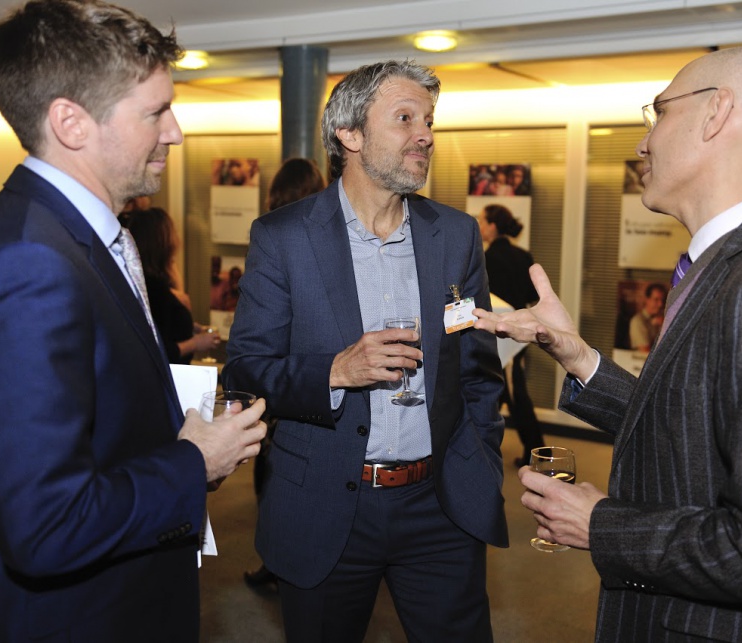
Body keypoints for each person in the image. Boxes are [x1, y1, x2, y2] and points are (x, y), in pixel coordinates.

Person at [473, 46, 742, 642]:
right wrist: (576, 354)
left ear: (716, 114)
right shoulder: (736, 262)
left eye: (659, 112)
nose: (643, 142)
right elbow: (698, 436)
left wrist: (602, 525)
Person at [0, 2, 267, 641]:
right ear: (71, 122)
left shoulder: (68, 235)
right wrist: (191, 463)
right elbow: (47, 525)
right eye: (155, 111)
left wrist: (188, 444)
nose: (175, 132)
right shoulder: (28, 264)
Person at [223, 60, 508, 642]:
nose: (425, 134)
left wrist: (481, 461)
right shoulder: (282, 238)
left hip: (440, 506)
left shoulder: (454, 236)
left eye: (428, 120)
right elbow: (246, 370)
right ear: (349, 135)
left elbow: (477, 369)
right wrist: (334, 370)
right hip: (327, 506)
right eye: (404, 118)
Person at [243, 156, 326, 590]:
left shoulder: (272, 230)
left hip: (284, 368)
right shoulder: (302, 236)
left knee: (275, 459)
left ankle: (277, 555)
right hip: (305, 366)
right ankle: (281, 555)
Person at [477, 203, 544, 466]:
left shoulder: (485, 258)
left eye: (482, 221)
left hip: (496, 336)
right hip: (520, 335)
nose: (480, 226)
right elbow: (531, 296)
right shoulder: (523, 255)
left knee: (515, 396)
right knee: (505, 391)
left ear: (493, 226)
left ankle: (540, 453)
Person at [126, 206, 222, 364]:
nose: (177, 239)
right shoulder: (153, 288)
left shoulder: (153, 282)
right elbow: (158, 349)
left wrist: (190, 326)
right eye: (173, 233)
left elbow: (165, 324)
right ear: (161, 242)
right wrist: (197, 343)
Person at [627, 282, 666, 351]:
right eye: (656, 300)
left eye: (662, 300)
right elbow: (645, 351)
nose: (660, 304)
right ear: (647, 300)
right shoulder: (637, 321)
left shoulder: (660, 319)